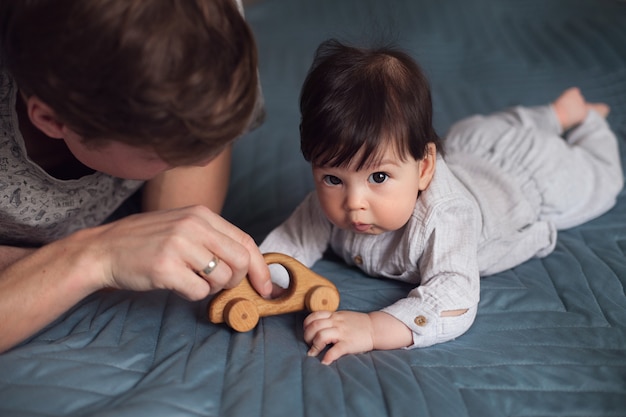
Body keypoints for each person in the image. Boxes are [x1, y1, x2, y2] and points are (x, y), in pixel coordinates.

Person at [259, 39, 623, 365]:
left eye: (378, 178)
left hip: (525, 177)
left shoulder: (445, 217)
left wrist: (373, 328)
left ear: (424, 168)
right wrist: (260, 281)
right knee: (489, 129)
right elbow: (292, 242)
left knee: (602, 182)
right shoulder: (330, 203)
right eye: (333, 178)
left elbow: (453, 296)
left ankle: (587, 120)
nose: (354, 202)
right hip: (471, 147)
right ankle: (555, 114)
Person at [0, 0, 273, 353]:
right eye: (165, 153)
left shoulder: (207, 24)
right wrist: (96, 256)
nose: (206, 161)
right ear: (52, 121)